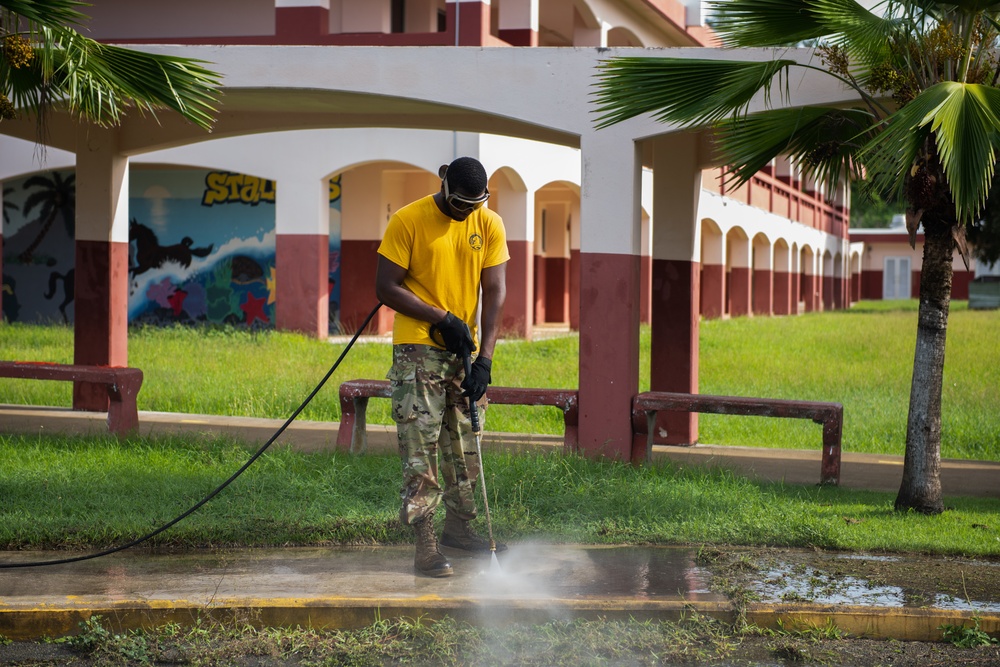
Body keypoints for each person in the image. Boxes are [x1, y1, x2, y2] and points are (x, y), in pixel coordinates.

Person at [375, 156, 509, 578]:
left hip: (463, 351)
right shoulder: (408, 220)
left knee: (466, 441)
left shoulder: (488, 223)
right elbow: (385, 287)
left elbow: (496, 290)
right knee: (422, 446)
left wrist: (485, 359)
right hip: (419, 350)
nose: (465, 211)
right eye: (458, 204)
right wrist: (441, 317)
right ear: (443, 184)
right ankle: (426, 543)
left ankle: (459, 529)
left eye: (474, 204)